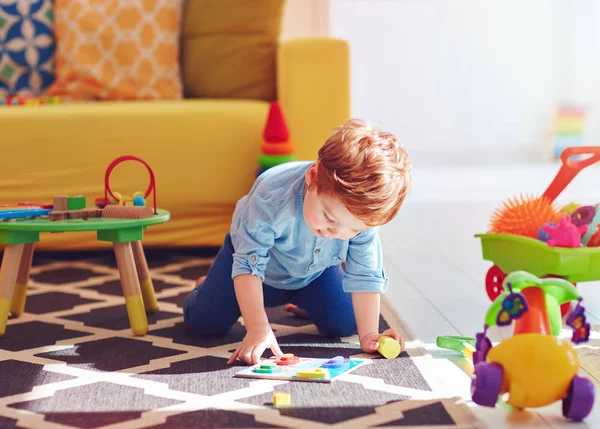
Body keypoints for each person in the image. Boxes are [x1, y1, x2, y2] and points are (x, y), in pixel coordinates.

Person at [183, 119, 412, 366]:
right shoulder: (271, 198)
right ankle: (206, 286)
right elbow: (249, 265)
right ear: (312, 176)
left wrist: (369, 335)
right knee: (204, 323)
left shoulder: (361, 216)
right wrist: (258, 326)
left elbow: (365, 273)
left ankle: (304, 300)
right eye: (328, 217)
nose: (334, 233)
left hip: (312, 275)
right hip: (249, 269)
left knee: (345, 323)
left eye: (352, 231)